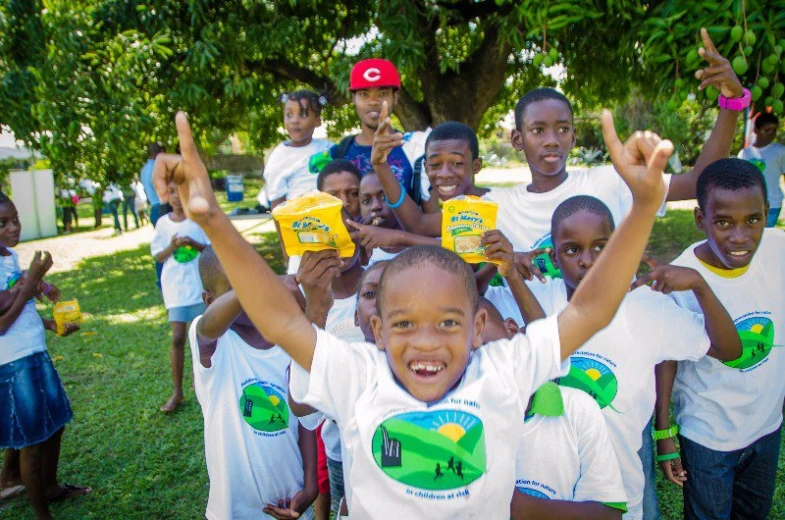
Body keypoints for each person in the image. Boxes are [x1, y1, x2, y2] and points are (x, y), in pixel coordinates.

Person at [153, 104, 674, 517]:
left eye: (448, 322)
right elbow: (282, 319)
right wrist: (213, 219)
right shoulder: (359, 375)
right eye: (404, 324)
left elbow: (591, 311)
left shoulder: (502, 370)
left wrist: (645, 206)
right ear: (375, 328)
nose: (426, 341)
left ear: (477, 326)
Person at [524, 194, 740, 519]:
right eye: (572, 250)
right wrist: (502, 269)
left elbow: (729, 349)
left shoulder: (645, 310)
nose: (588, 260)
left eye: (602, 247)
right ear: (554, 257)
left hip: (619, 495)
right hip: (546, 495)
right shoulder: (533, 297)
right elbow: (471, 306)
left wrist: (700, 286)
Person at [654, 158, 785, 519]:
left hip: (766, 425)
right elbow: (666, 358)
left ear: (767, 212)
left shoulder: (778, 249)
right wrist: (663, 431)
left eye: (753, 220)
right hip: (707, 435)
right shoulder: (683, 277)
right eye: (724, 222)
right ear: (701, 220)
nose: (740, 237)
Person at [189, 246, 317, 519]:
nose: (254, 296)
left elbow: (303, 416)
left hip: (291, 500)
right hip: (234, 509)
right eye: (237, 287)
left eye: (257, 278)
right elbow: (206, 327)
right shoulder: (212, 342)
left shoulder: (290, 339)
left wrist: (310, 485)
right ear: (210, 300)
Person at [477, 298, 627, 520]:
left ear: (511, 330)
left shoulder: (576, 408)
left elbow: (608, 512)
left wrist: (519, 507)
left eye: (488, 348)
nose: (481, 366)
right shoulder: (449, 422)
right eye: (464, 360)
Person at [0, 193, 88, 520]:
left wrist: (51, 324)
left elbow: (20, 306)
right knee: (32, 441)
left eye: (15, 219)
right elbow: (3, 321)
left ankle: (49, 487)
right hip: (13, 363)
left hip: (34, 352)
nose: (14, 228)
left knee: (56, 425)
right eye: (3, 223)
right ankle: (41, 514)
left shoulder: (8, 257)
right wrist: (33, 281)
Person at [309, 58, 433, 206]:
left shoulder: (416, 148)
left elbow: (430, 217)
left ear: (395, 97)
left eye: (383, 93)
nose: (373, 101)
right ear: (353, 98)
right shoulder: (338, 154)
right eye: (364, 94)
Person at [150, 180, 210, 413]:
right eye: (172, 192)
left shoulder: (198, 220)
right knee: (177, 337)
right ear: (166, 195)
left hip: (198, 287)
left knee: (201, 337)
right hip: (175, 289)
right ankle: (177, 392)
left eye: (181, 192)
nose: (176, 197)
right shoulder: (163, 224)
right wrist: (172, 246)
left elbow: (210, 249)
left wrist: (193, 243)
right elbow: (158, 256)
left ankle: (202, 385)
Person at [347, 173, 436, 264]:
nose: (375, 206)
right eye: (366, 201)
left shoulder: (427, 237)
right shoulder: (356, 253)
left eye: (384, 197)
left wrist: (401, 238)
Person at [737, 112, 785, 227]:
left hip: (772, 204)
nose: (771, 134)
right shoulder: (745, 154)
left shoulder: (780, 151)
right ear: (756, 130)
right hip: (749, 204)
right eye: (767, 129)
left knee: (763, 237)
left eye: (774, 130)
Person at [142, 143, 167, 286]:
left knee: (161, 243)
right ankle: (162, 279)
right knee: (163, 246)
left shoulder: (144, 168)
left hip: (153, 207)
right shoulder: (155, 169)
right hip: (160, 208)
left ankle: (161, 278)